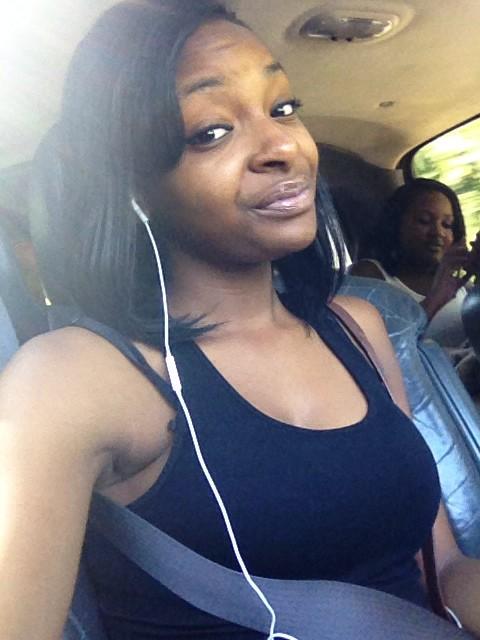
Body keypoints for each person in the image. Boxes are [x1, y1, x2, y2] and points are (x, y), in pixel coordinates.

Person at [1, 2, 480, 639]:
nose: (283, 146)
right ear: (134, 183)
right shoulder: (73, 379)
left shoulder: (359, 329)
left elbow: (441, 569)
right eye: (211, 131)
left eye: (282, 108)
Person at [350, 179, 480, 349]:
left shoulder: (460, 284)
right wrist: (436, 298)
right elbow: (382, 347)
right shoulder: (370, 274)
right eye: (424, 221)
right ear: (396, 224)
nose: (438, 232)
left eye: (447, 224)